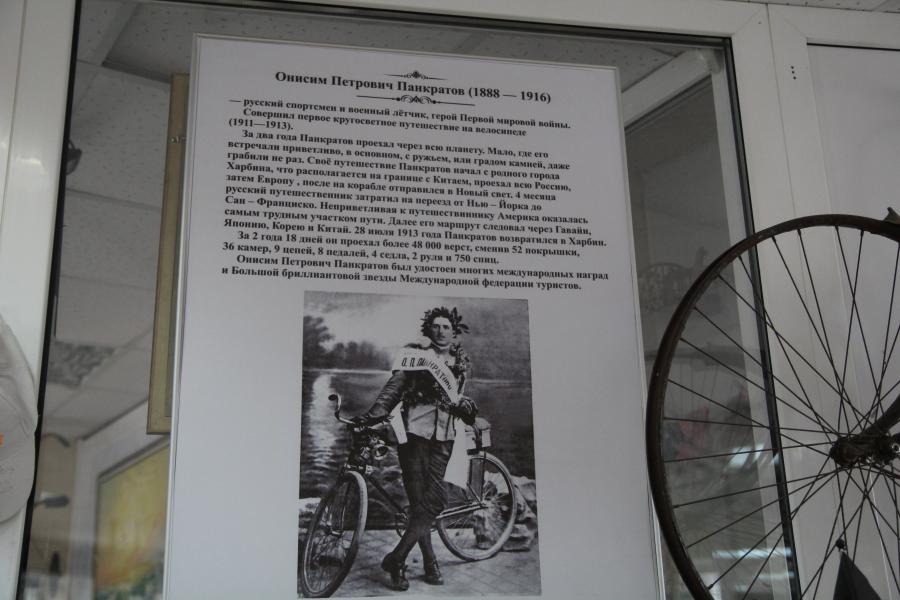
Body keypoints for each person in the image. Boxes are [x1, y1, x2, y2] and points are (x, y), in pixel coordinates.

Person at [353, 306, 477, 591]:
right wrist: (373, 415)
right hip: (414, 435)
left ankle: (396, 557)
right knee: (419, 500)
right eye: (436, 326)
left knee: (436, 500)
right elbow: (394, 387)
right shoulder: (416, 355)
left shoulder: (460, 361)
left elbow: (458, 397)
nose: (441, 331)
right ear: (428, 330)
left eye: (446, 327)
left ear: (454, 332)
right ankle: (429, 562)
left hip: (445, 436)